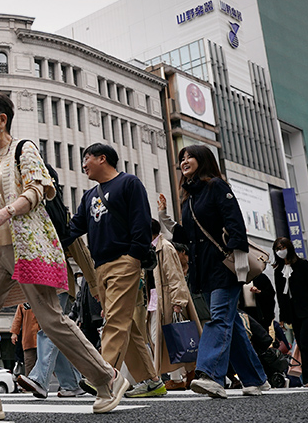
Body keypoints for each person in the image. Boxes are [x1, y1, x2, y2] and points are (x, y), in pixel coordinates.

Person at [0, 92, 124, 423]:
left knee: (50, 320)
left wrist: (7, 211)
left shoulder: (23, 149)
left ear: (1, 120)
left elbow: (37, 189)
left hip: (25, 248)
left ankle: (107, 377)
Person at [160, 145, 268, 398]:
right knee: (232, 325)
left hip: (223, 265)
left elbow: (234, 221)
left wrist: (240, 257)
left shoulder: (216, 186)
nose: (184, 161)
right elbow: (189, 236)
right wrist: (165, 218)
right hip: (203, 268)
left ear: (203, 160)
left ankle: (209, 375)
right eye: (182, 158)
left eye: (190, 157)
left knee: (218, 318)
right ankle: (256, 379)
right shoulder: (190, 195)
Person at [63, 143, 164, 399]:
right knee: (126, 324)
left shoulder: (129, 183)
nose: (83, 164)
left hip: (124, 262)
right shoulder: (89, 196)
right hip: (101, 267)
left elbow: (141, 221)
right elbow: (74, 228)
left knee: (115, 322)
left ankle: (103, 375)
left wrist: (134, 256)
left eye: (87, 158)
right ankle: (152, 381)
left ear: (102, 158)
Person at [147, 219, 201, 392]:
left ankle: (178, 377)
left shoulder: (165, 247)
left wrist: (177, 301)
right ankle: (185, 372)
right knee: (162, 338)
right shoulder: (153, 248)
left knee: (169, 338)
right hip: (155, 299)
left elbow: (175, 275)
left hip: (166, 299)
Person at [272, 237, 308, 387]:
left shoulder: (302, 264)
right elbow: (280, 295)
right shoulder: (278, 271)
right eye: (277, 248)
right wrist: (282, 317)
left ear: (289, 248)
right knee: (304, 346)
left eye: (282, 247)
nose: (280, 251)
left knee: (304, 342)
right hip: (293, 313)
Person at [16, 293, 85, 399]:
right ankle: (72, 383)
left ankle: (39, 379)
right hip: (45, 281)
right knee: (54, 330)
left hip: (55, 280)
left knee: (50, 326)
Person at [10, 303, 39, 377]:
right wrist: (14, 333)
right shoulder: (23, 303)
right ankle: (30, 383)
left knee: (46, 363)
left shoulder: (44, 298)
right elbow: (18, 318)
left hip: (43, 338)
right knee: (29, 364)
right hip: (29, 339)